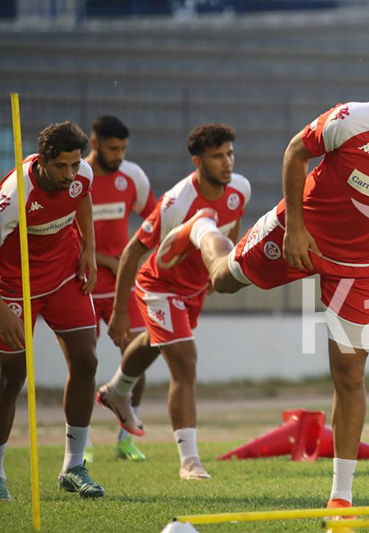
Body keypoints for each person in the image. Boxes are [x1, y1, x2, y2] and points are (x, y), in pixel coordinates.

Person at [149, 61, 369, 508]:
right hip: (298, 235)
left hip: (358, 265)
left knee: (350, 375)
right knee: (222, 281)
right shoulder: (352, 120)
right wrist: (293, 226)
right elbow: (296, 150)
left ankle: (341, 497)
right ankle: (200, 229)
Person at [97, 124, 250, 480]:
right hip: (159, 287)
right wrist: (121, 312)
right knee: (185, 362)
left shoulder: (240, 187)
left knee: (156, 340)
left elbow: (234, 225)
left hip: (194, 288)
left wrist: (221, 270)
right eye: (217, 156)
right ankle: (189, 461)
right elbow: (134, 251)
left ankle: (116, 391)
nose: (227, 163)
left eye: (229, 154)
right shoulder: (177, 203)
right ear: (197, 161)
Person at [0, 122, 104, 499]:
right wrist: (3, 310)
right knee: (10, 378)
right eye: (62, 167)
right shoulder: (14, 195)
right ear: (42, 162)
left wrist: (89, 250)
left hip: (64, 278)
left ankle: (73, 466)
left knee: (87, 361)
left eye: (75, 165)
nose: (70, 175)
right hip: (13, 288)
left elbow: (83, 197)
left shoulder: (81, 173)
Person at [86, 115, 156, 462]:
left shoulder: (133, 177)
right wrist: (105, 260)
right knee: (82, 363)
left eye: (123, 149)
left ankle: (126, 440)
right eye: (112, 148)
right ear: (94, 143)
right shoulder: (76, 178)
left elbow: (154, 220)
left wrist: (134, 259)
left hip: (122, 286)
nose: (118, 155)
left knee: (137, 356)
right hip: (80, 283)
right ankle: (81, 445)